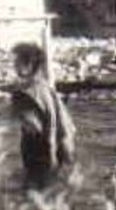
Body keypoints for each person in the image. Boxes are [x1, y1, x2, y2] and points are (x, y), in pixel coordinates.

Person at [9, 42, 76, 190]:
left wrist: (51, 155)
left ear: (29, 64)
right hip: (58, 147)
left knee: (39, 195)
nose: (14, 66)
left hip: (42, 150)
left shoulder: (29, 93)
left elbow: (44, 126)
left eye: (17, 62)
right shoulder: (43, 88)